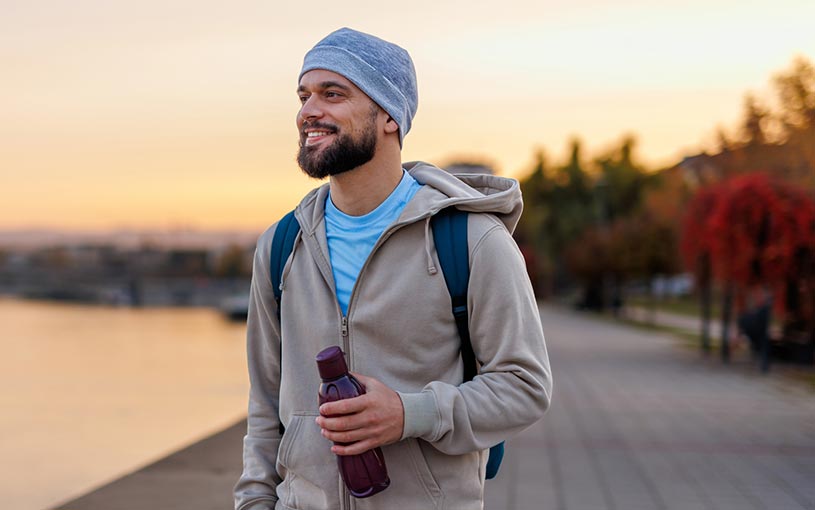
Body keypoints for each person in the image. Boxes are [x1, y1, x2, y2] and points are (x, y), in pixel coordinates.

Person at [234, 27, 552, 510]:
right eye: (304, 96)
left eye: (332, 94)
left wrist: (410, 413)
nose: (307, 112)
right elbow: (264, 408)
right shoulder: (281, 246)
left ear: (388, 115)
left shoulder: (470, 241)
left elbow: (525, 385)